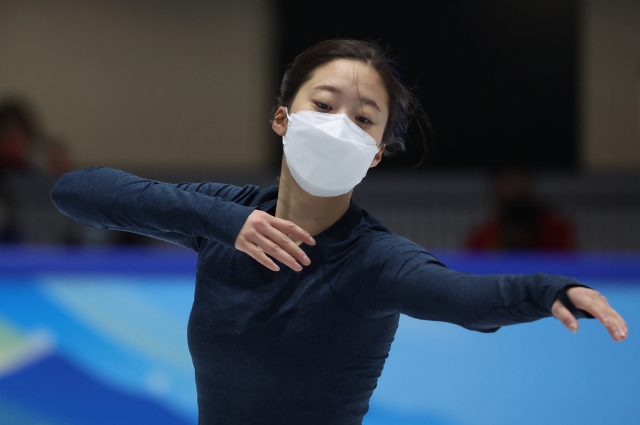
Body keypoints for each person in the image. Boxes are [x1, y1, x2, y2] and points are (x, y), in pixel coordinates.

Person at [50, 39, 627, 425]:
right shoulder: (225, 215)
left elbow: (465, 299)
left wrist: (549, 289)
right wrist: (226, 223)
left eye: (363, 119)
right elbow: (76, 191)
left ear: (375, 153)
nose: (337, 128)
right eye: (324, 105)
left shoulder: (375, 260)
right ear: (283, 118)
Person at [467, 170, 577, 250]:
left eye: (520, 182)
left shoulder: (557, 231)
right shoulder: (484, 236)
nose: (515, 189)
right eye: (510, 183)